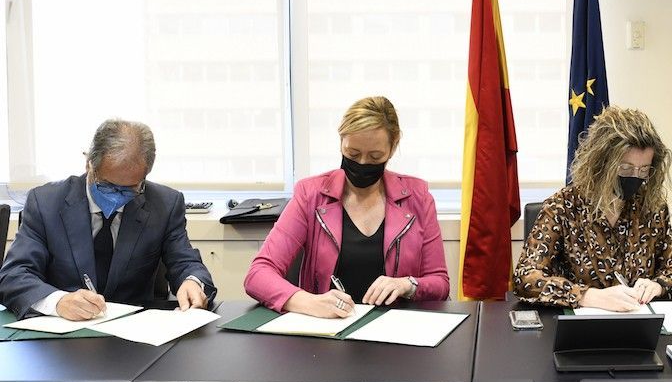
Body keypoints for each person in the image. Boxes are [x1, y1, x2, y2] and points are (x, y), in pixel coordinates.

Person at [245, 96, 449, 318]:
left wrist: (407, 285)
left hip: (396, 328)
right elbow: (258, 274)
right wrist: (309, 302)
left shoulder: (418, 198)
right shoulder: (311, 195)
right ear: (341, 141)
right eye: (353, 153)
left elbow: (440, 283)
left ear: (393, 147)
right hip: (329, 328)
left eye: (375, 156)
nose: (362, 163)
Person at [0, 119, 215, 320]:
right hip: (65, 331)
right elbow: (14, 275)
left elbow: (185, 262)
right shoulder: (45, 203)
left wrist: (192, 282)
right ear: (89, 164)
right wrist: (57, 302)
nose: (116, 195)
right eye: (106, 185)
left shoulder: (164, 204)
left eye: (130, 188)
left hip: (136, 331)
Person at [513, 106, 672, 310]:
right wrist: (586, 296)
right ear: (601, 164)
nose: (635, 177)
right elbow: (525, 278)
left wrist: (657, 286)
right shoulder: (563, 207)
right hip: (581, 323)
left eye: (644, 170)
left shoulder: (652, 207)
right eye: (625, 168)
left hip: (638, 320)